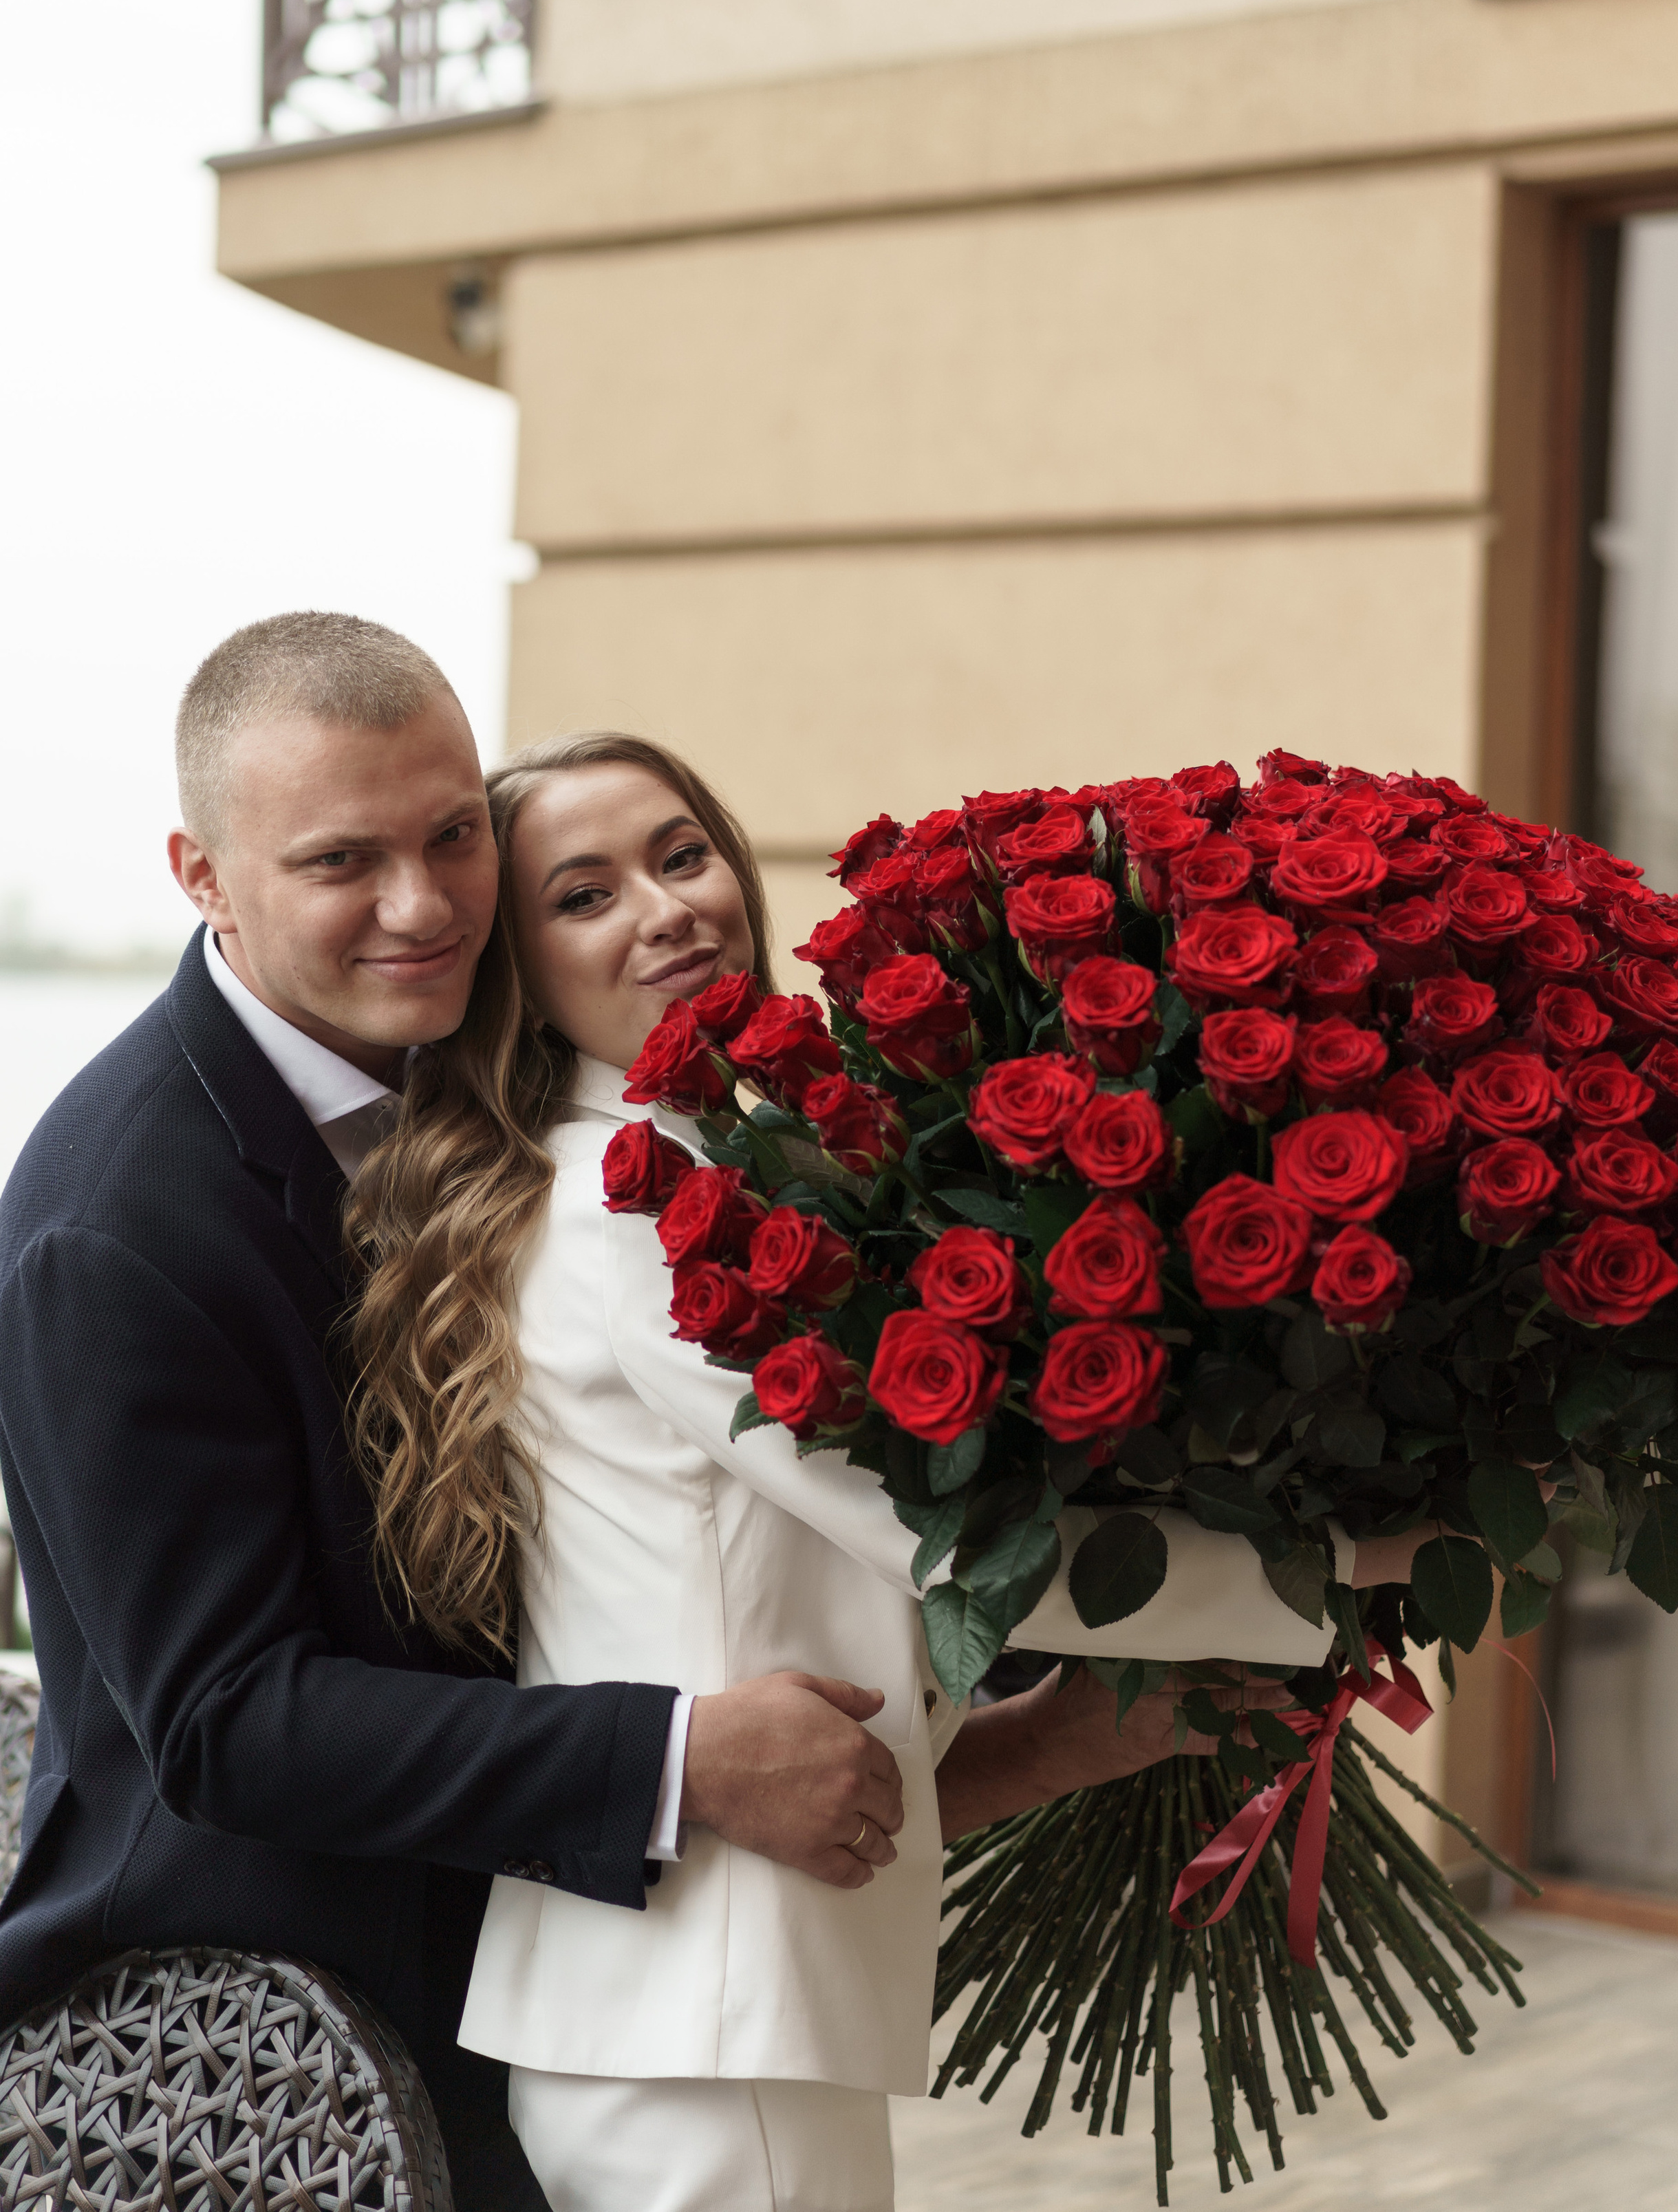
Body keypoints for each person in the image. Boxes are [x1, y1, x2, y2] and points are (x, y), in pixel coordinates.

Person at [347, 731, 1430, 2212]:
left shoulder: (703, 1174)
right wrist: (1347, 1576)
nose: (666, 909)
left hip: (686, 2005)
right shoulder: (641, 1230)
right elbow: (956, 1541)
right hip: (710, 2020)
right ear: (516, 972)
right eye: (584, 895)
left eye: (680, 855)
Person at [0, 617, 909, 2212]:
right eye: (343, 861)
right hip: (266, 2046)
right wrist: (687, 1757)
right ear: (201, 874)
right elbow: (225, 1719)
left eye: (451, 838)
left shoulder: (490, 1087)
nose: (421, 908)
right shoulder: (114, 1225)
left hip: (543, 1957)